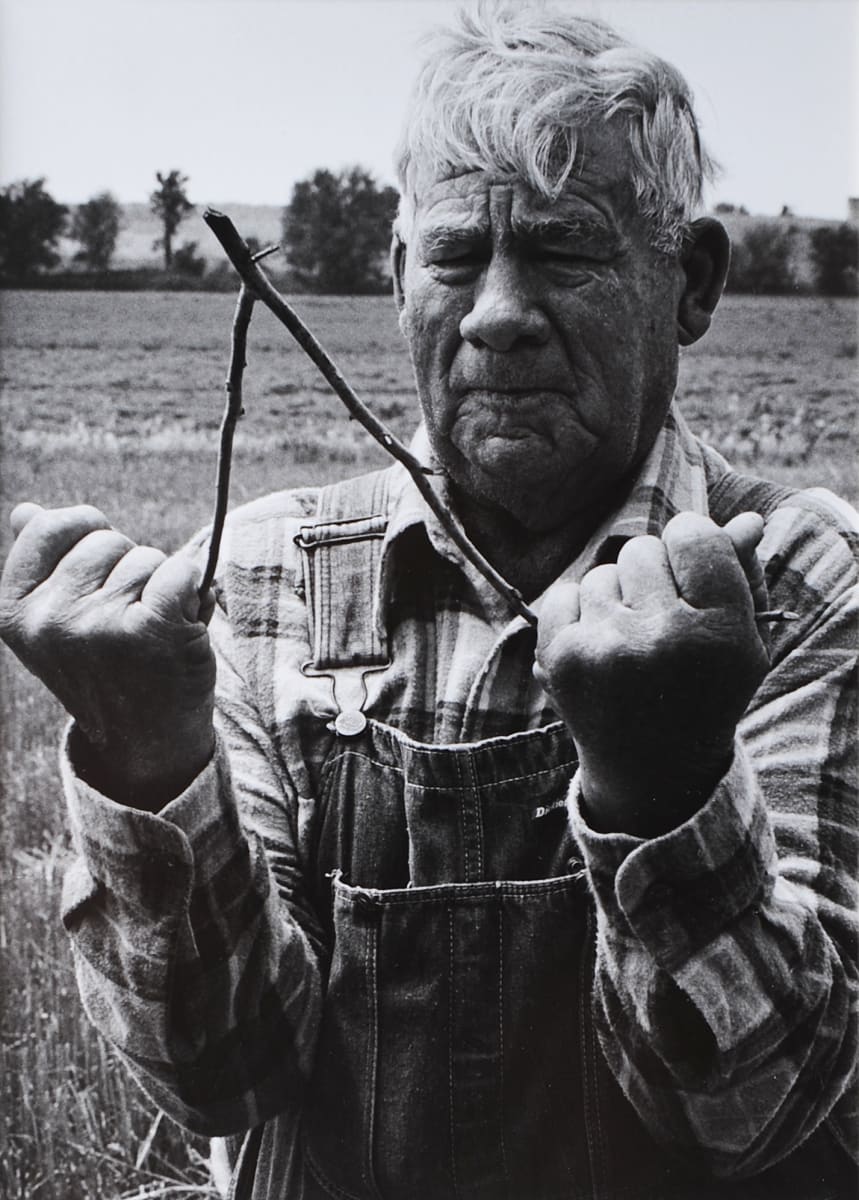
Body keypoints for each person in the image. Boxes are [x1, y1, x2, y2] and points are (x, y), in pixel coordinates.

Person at [1, 6, 856, 1198]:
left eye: (564, 251)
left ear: (690, 281)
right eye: (456, 256)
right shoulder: (259, 580)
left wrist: (667, 786)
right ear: (402, 282)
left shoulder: (802, 583)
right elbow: (221, 1076)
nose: (498, 312)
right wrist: (146, 758)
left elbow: (758, 1114)